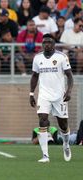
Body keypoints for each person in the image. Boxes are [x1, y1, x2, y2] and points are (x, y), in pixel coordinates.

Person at [29, 33, 74, 163]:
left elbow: (69, 76)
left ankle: (66, 144)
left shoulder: (61, 57)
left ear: (54, 44)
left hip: (59, 96)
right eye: (44, 42)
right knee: (42, 120)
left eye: (49, 42)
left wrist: (69, 91)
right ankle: (45, 155)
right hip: (44, 95)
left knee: (63, 125)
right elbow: (34, 76)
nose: (46, 44)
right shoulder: (37, 58)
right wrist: (31, 94)